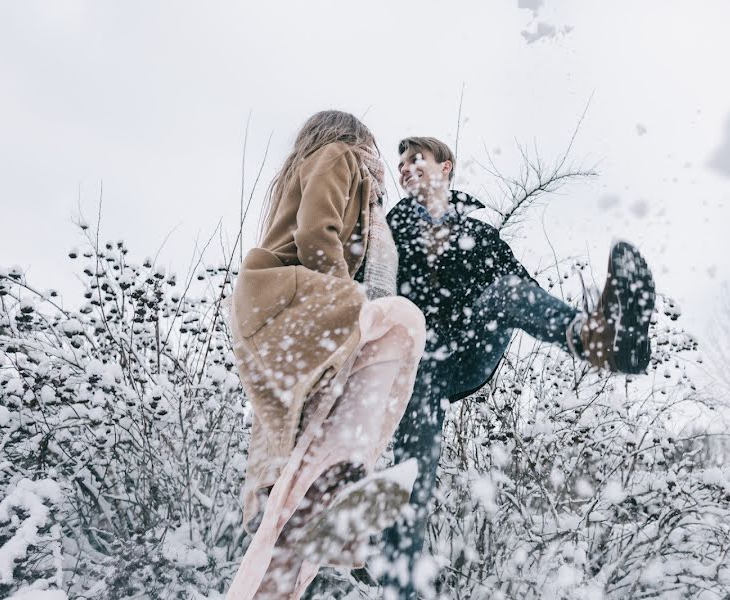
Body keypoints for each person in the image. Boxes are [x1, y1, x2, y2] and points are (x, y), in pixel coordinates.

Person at [379, 136, 657, 598]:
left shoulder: (481, 235)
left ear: (446, 167)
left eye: (416, 160)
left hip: (469, 351)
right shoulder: (389, 230)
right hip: (416, 364)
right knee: (413, 467)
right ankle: (399, 578)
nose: (406, 168)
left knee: (507, 292)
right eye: (401, 163)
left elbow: (526, 295)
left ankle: (606, 340)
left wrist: (582, 313)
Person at [226, 111, 427, 599]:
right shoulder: (341, 155)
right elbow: (317, 235)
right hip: (288, 299)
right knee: (400, 321)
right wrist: (354, 308)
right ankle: (347, 469)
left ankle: (311, 501)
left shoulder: (315, 166)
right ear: (357, 137)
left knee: (306, 437)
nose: (381, 161)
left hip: (273, 319)